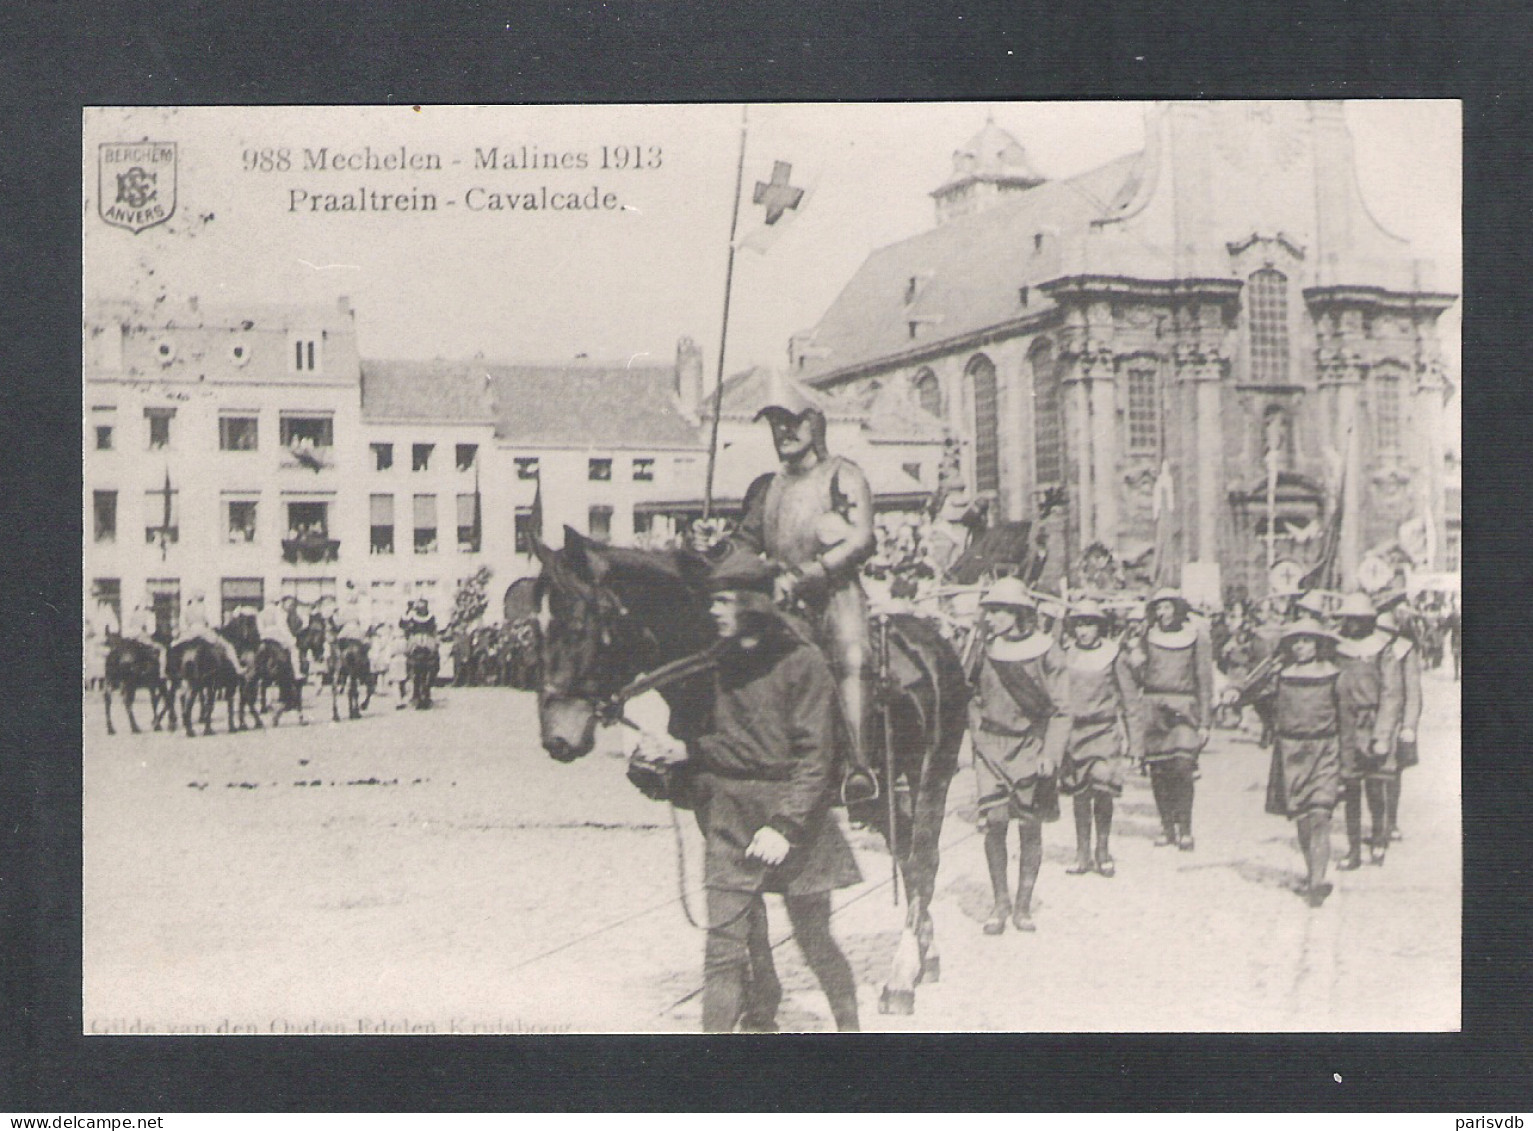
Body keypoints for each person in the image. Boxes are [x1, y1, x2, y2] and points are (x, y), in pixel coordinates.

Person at [670, 547, 863, 1032]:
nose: (713, 610)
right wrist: (670, 765)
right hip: (731, 819)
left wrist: (786, 824)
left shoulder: (804, 662)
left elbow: (817, 759)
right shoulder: (714, 664)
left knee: (814, 939)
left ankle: (852, 1031)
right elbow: (709, 748)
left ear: (753, 603)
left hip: (793, 823)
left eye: (724, 600)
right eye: (711, 600)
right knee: (723, 952)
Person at [736, 372, 879, 806]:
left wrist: (811, 573)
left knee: (853, 657)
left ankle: (858, 765)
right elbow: (746, 541)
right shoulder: (767, 487)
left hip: (833, 591)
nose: (783, 431)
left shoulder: (842, 474)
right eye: (776, 423)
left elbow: (862, 539)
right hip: (781, 596)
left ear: (814, 426)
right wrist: (717, 544)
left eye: (792, 422)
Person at [966, 577, 1068, 934]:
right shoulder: (982, 649)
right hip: (992, 747)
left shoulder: (1047, 651)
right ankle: (999, 903)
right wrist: (979, 737)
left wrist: (1050, 753)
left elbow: (1060, 709)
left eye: (998, 610)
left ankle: (1023, 905)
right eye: (988, 610)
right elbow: (971, 696)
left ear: (1019, 613)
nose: (990, 617)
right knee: (994, 822)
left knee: (1029, 826)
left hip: (1031, 747)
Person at [1228, 617, 1344, 907]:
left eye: (1307, 641)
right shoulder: (1281, 676)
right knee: (1303, 818)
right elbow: (1251, 698)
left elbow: (1346, 718)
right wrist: (1244, 686)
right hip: (1291, 751)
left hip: (1325, 748)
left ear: (1319, 644)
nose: (1301, 647)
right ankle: (1311, 872)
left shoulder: (1334, 675)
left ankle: (1317, 882)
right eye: (1296, 641)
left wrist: (1347, 757)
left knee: (1320, 814)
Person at [1056, 600, 1139, 878]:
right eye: (1079, 624)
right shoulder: (1065, 656)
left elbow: (1129, 699)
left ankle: (1102, 851)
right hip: (1074, 734)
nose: (1083, 631)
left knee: (1103, 789)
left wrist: (1136, 742)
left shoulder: (1114, 655)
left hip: (1104, 732)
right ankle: (1082, 854)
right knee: (1080, 794)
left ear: (1100, 627)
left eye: (1089, 624)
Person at [1127, 588, 1214, 851]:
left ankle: (1185, 828)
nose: (1164, 613)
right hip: (1153, 707)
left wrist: (1205, 721)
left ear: (1178, 609)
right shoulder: (1146, 637)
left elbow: (1204, 679)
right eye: (1159, 608)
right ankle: (1166, 826)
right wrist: (1134, 658)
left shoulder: (1196, 637)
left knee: (1183, 766)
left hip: (1184, 707)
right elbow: (1137, 675)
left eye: (1168, 607)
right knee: (1159, 771)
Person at [1334, 591, 1395, 869]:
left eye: (1359, 620)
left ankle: (1380, 839)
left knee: (1375, 786)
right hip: (1345, 724)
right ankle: (1353, 849)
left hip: (1371, 723)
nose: (1353, 625)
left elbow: (1390, 694)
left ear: (1369, 620)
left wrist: (1382, 734)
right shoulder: (1336, 648)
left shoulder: (1382, 649)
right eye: (1349, 619)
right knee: (1350, 789)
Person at [1374, 606, 1423, 845]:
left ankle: (1390, 821)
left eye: (1385, 631)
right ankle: (1378, 822)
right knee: (1374, 773)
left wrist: (1409, 726)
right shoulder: (1370, 649)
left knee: (1393, 774)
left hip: (1398, 722)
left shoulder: (1404, 650)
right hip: (1375, 718)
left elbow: (1413, 692)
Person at [171, 590, 246, 675]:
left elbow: (185, 623)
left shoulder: (187, 609)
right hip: (203, 631)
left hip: (190, 632)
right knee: (227, 646)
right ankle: (238, 668)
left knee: (173, 646)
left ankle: (171, 672)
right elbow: (208, 622)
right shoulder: (203, 607)